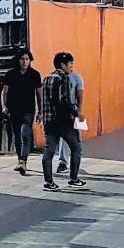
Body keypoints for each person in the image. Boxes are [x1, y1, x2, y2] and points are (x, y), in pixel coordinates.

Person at [40, 51, 87, 192]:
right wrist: (77, 112)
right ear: (62, 64)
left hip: (49, 121)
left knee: (49, 151)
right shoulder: (64, 78)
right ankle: (73, 179)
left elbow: (44, 100)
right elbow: (64, 100)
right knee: (76, 147)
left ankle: (48, 182)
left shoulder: (46, 78)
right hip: (63, 121)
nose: (71, 66)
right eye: (70, 64)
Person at [1, 49, 43, 176]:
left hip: (28, 110)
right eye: (22, 59)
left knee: (25, 134)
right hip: (14, 110)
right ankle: (20, 160)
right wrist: (4, 106)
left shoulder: (34, 74)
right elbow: (4, 92)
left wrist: (40, 111)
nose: (25, 62)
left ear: (30, 60)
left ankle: (23, 160)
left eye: (27, 59)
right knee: (17, 136)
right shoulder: (11, 74)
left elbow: (39, 95)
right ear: (18, 60)